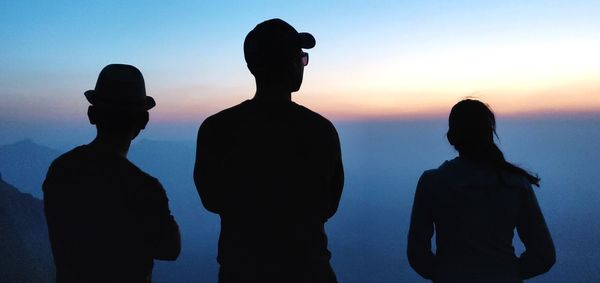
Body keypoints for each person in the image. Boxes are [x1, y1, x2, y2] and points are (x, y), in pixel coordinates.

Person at [194, 19, 344, 283]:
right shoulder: (320, 131)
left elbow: (211, 200)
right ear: (290, 65)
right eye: (301, 58)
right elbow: (328, 206)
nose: (303, 64)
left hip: (241, 271)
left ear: (253, 66)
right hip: (308, 271)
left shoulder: (216, 129)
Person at [43, 64, 181, 283]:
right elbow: (170, 249)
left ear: (92, 115)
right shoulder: (144, 188)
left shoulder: (61, 169)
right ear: (143, 121)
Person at [407, 99, 555, 282]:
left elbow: (417, 253)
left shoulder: (432, 183)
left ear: (451, 137)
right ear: (489, 135)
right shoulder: (515, 183)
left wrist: (446, 273)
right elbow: (544, 255)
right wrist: (506, 272)